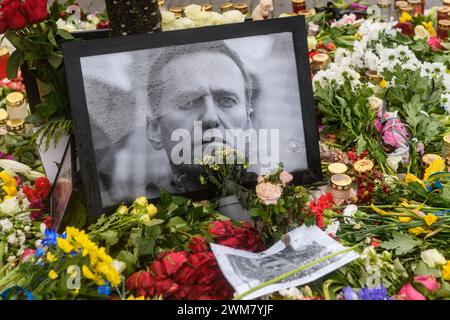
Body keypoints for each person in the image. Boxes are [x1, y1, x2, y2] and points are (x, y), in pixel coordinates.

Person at [97, 41, 258, 203]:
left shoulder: (279, 197)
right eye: (188, 102)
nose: (210, 117)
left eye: (227, 100)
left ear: (249, 124)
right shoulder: (133, 210)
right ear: (154, 128)